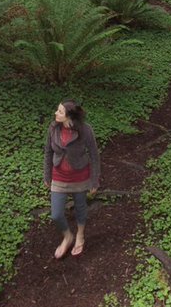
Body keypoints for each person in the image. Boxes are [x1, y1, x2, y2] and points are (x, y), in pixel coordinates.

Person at [44, 100, 100, 259]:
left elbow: (94, 155)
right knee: (56, 214)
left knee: (80, 207)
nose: (56, 113)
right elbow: (48, 152)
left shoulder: (85, 130)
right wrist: (47, 175)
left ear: (69, 116)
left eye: (60, 112)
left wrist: (94, 180)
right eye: (57, 110)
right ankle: (68, 236)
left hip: (80, 176)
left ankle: (80, 235)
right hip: (59, 176)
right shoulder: (53, 128)